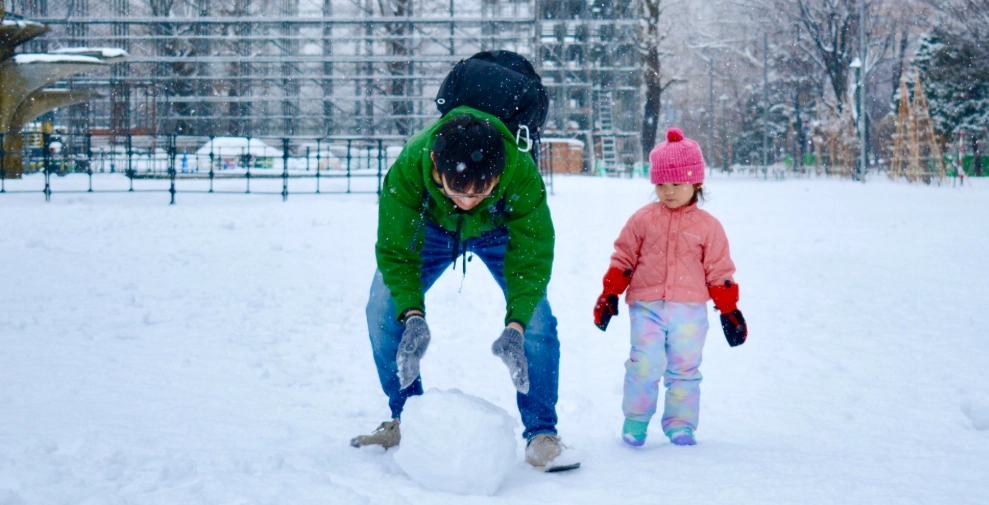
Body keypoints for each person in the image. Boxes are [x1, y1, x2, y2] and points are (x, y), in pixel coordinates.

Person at [352, 106, 569, 470]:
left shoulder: (520, 172)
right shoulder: (409, 168)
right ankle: (408, 420)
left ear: (498, 175)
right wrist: (412, 315)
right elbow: (396, 252)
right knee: (381, 311)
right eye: (457, 190)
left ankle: (541, 433)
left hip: (498, 227)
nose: (467, 202)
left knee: (538, 324)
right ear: (436, 163)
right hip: (433, 229)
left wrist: (516, 326)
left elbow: (531, 258)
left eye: (481, 190)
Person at [592, 127, 748, 447]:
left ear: (697, 182)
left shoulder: (708, 227)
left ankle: (680, 423)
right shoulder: (643, 219)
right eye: (661, 183)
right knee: (645, 363)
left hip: (690, 311)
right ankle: (635, 419)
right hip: (647, 306)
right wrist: (610, 293)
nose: (669, 191)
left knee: (685, 368)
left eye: (677, 183)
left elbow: (719, 270)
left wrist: (729, 309)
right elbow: (624, 257)